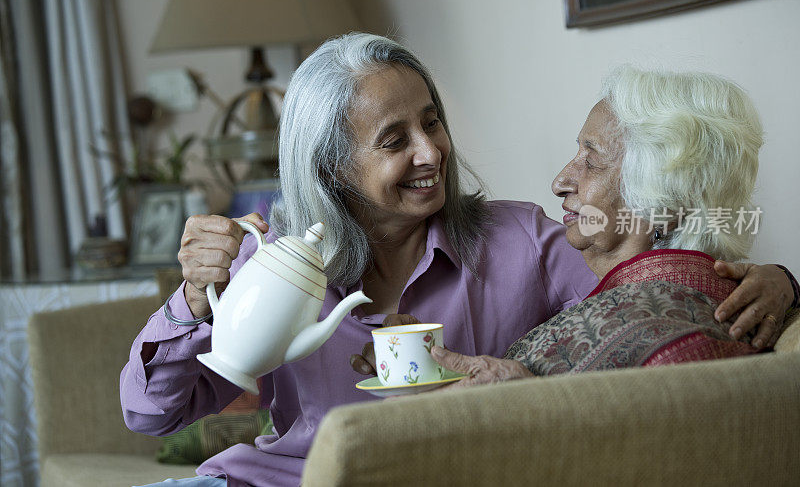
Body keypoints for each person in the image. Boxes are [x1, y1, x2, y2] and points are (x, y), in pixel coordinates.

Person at [120, 34, 795, 487]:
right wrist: (191, 299)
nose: (431, 151)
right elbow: (152, 413)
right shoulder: (277, 263)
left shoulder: (522, 242)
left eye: (432, 121)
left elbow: (648, 288)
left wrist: (783, 282)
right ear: (332, 166)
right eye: (395, 139)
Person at [431, 66, 799, 385]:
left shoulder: (670, 331)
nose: (559, 182)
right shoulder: (651, 289)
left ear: (662, 204)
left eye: (591, 163)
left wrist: (531, 401)